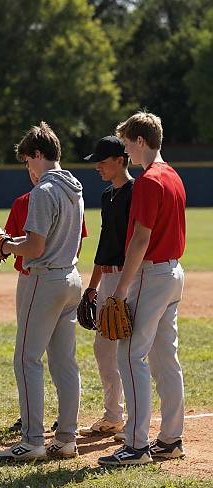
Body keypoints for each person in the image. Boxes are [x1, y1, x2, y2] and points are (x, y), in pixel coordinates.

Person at [98, 112, 186, 466]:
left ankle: (136, 445)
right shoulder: (173, 175)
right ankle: (171, 438)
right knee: (166, 357)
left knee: (130, 355)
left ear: (140, 141)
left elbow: (140, 239)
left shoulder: (149, 180)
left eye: (127, 143)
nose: (126, 151)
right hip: (174, 272)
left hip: (152, 274)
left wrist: (119, 290)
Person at [0, 121, 83, 460]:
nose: (27, 167)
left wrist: (5, 246)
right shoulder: (74, 187)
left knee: (26, 359)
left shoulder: (44, 191)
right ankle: (66, 439)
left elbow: (34, 247)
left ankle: (31, 442)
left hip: (45, 280)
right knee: (64, 363)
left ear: (37, 155)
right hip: (71, 277)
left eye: (27, 160)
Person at [78, 136, 134, 441]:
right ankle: (114, 416)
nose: (97, 166)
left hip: (130, 277)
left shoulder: (134, 192)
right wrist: (92, 286)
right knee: (104, 350)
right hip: (108, 278)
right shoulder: (106, 195)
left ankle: (132, 422)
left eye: (102, 161)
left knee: (130, 352)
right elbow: (104, 243)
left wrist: (125, 285)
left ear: (120, 160)